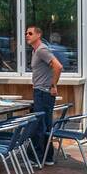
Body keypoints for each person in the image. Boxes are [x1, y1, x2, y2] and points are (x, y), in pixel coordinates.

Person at [26, 26, 63, 165]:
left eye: (30, 33)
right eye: (26, 33)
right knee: (45, 125)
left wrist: (53, 85)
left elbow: (58, 66)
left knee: (39, 125)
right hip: (40, 91)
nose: (27, 35)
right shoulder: (36, 51)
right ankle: (47, 157)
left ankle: (37, 158)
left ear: (39, 34)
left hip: (43, 92)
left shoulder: (42, 49)